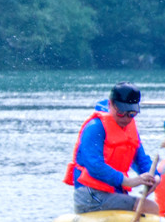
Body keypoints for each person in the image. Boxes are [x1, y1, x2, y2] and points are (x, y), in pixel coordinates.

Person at [64, 82, 158, 214]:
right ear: (110, 104)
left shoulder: (130, 130)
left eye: (131, 114)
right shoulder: (95, 127)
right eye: (121, 113)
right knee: (150, 208)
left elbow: (142, 160)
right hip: (90, 195)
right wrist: (129, 181)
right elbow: (94, 165)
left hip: (114, 193)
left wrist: (155, 178)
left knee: (147, 206)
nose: (126, 118)